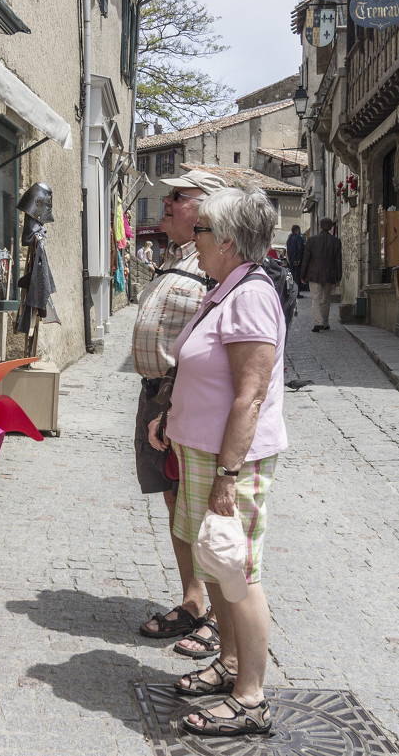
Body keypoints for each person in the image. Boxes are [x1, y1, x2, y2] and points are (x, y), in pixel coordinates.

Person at [147, 186, 287, 737]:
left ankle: (251, 697)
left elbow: (249, 394)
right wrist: (171, 415)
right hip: (201, 449)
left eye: (201, 230)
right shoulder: (225, 287)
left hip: (233, 460)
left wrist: (229, 474)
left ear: (227, 240)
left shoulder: (251, 293)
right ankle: (229, 664)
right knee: (218, 566)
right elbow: (205, 370)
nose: (192, 239)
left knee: (239, 570)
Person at [131, 170, 228, 658]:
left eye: (177, 197)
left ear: (206, 209)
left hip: (179, 399)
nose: (165, 203)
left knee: (196, 507)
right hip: (159, 398)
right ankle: (194, 601)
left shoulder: (214, 264)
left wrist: (170, 405)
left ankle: (214, 614)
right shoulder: (180, 256)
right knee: (175, 502)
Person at [299, 217, 342, 332]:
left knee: (316, 299)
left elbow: (306, 259)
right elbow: (338, 260)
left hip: (314, 274)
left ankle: (318, 322)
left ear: (320, 227)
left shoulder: (311, 240)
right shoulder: (336, 241)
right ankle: (325, 323)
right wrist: (339, 277)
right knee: (326, 300)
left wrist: (302, 275)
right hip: (330, 275)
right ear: (331, 228)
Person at [286, 224, 306, 296]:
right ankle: (296, 292)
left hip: (290, 261)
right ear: (297, 230)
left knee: (292, 277)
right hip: (296, 261)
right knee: (297, 277)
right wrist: (298, 259)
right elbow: (300, 249)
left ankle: (292, 291)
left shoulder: (289, 238)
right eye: (299, 230)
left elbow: (288, 250)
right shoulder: (298, 238)